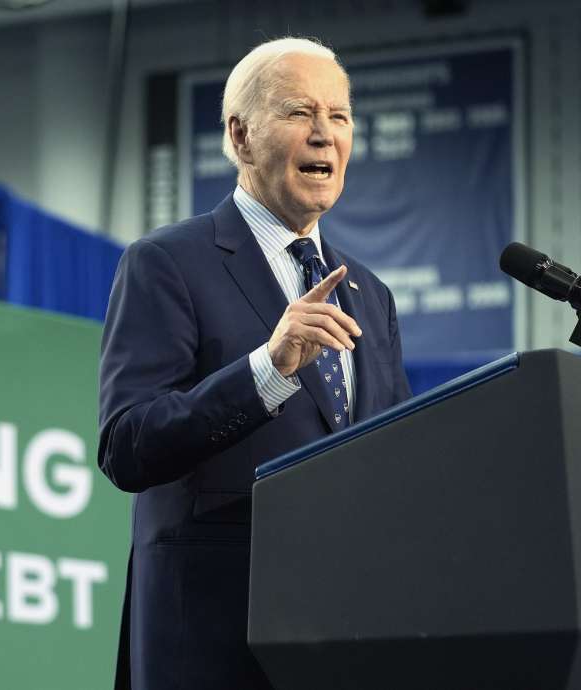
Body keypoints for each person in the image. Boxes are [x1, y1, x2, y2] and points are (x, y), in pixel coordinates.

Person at [98, 37, 412, 690]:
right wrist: (267, 370)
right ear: (240, 136)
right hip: (212, 643)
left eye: (340, 115)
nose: (325, 134)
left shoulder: (370, 296)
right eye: (300, 112)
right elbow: (127, 445)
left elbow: (396, 461)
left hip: (344, 643)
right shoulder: (167, 263)